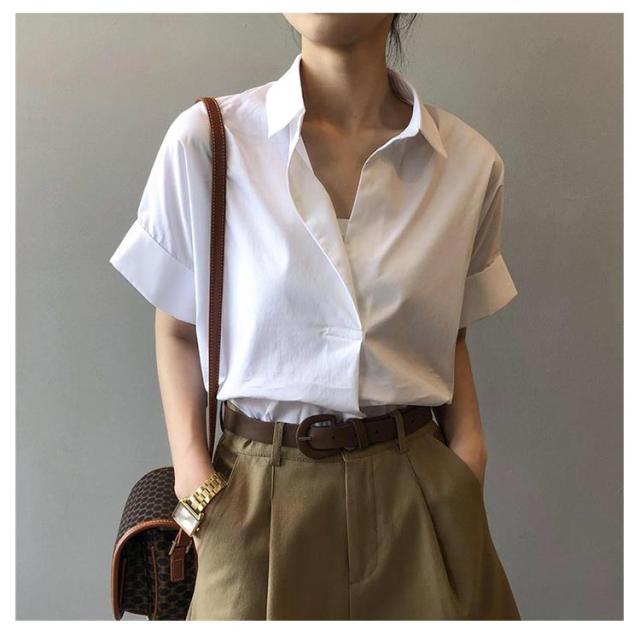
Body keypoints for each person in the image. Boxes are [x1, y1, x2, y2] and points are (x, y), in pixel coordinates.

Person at [109, 13, 521, 620]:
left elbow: (449, 332)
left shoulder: (467, 163)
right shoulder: (208, 141)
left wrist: (469, 456)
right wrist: (195, 483)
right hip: (253, 498)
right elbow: (178, 330)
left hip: (419, 493)